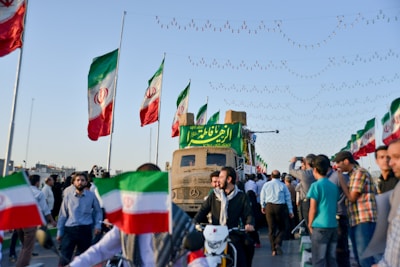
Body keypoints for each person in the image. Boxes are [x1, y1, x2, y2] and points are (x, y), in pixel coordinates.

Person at [69, 163, 196, 267]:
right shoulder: (129, 218)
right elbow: (101, 250)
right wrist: (75, 265)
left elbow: (195, 257)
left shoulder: (178, 219)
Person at [193, 166, 255, 267]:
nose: (218, 180)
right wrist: (193, 222)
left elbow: (249, 214)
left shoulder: (241, 196)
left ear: (229, 179)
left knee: (248, 245)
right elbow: (203, 210)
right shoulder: (214, 195)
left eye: (221, 177)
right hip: (213, 234)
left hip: (232, 233)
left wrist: (249, 224)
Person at [334, 150, 378, 267]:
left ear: (346, 161)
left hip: (364, 218)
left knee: (364, 257)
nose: (337, 166)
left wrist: (340, 179)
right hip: (355, 219)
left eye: (339, 163)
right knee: (359, 256)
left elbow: (352, 197)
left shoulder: (359, 173)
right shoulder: (352, 175)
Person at [57, 172, 103, 266]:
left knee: (83, 259)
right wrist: (60, 231)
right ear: (74, 182)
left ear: (86, 182)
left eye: (82, 180)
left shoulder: (91, 196)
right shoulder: (68, 197)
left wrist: (97, 225)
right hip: (70, 231)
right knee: (64, 258)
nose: (80, 182)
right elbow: (63, 215)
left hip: (85, 230)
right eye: (78, 180)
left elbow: (98, 211)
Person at [16, 174, 57, 267]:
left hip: (18, 222)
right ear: (37, 182)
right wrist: (52, 221)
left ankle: (19, 264)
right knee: (28, 248)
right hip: (29, 222)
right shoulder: (39, 193)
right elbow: (45, 209)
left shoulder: (22, 192)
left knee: (23, 246)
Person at [307, 154, 339, 267]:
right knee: (331, 259)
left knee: (319, 260)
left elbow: (313, 208)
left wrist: (310, 224)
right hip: (333, 225)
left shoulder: (315, 186)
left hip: (320, 226)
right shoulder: (333, 186)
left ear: (314, 169)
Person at [372, 138, 400, 267]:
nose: (389, 162)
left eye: (396, 157)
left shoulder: (396, 183)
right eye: (383, 157)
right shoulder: (381, 181)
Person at [260, 170, 294, 256]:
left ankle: (273, 250)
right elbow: (288, 198)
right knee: (283, 227)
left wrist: (263, 206)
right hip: (280, 207)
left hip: (269, 206)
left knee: (271, 229)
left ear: (271, 176)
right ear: (280, 177)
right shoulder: (283, 186)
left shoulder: (266, 185)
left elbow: (262, 196)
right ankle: (278, 242)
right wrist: (290, 210)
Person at [328, 164, 351, 267]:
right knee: (341, 246)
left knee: (340, 247)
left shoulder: (335, 177)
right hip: (340, 214)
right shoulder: (338, 177)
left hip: (339, 214)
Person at [289, 154, 316, 233]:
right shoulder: (318, 172)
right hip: (318, 200)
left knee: (308, 222)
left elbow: (291, 170)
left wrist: (293, 161)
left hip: (307, 200)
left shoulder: (305, 174)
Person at [284, 174, 298, 239]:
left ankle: (287, 235)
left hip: (287, 204)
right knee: (292, 220)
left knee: (286, 220)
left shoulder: (285, 187)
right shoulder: (294, 186)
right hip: (293, 203)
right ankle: (292, 234)